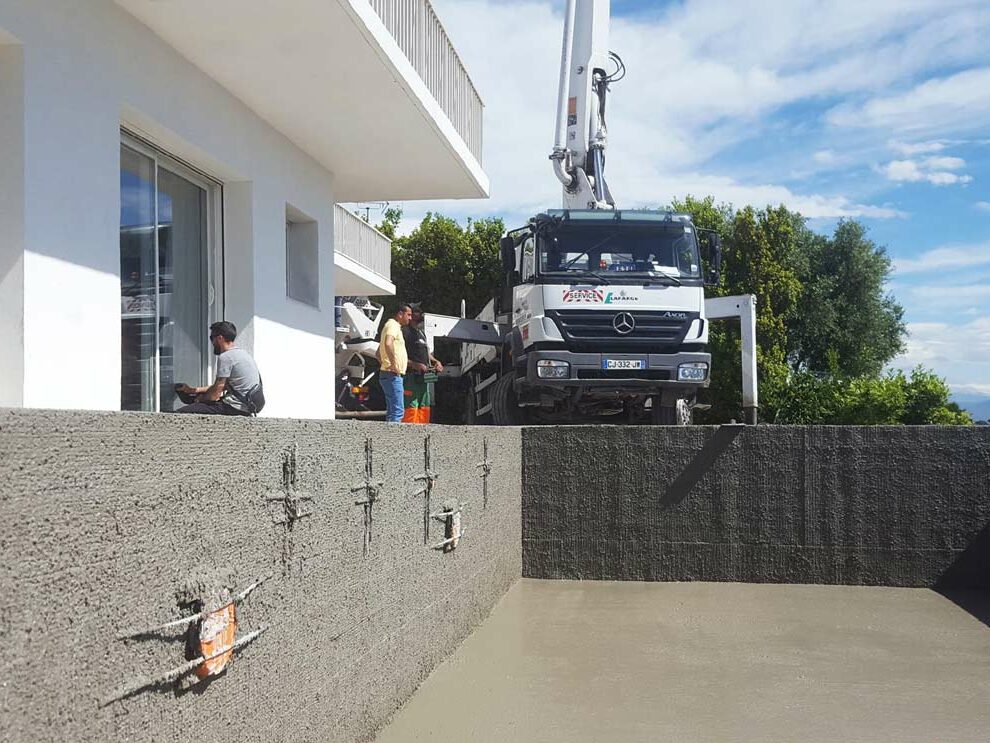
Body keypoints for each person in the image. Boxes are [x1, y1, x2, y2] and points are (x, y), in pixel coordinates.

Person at [176, 321, 263, 416]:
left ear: (220, 338)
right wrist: (193, 390)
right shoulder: (243, 354)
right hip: (245, 406)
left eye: (211, 338)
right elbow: (221, 386)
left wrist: (198, 400)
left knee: (179, 413)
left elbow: (215, 394)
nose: (212, 342)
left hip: (234, 407)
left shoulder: (226, 357)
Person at [402, 305, 444, 423]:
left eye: (420, 313)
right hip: (410, 376)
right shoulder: (404, 332)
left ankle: (422, 430)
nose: (420, 315)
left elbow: (426, 352)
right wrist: (414, 364)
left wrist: (435, 361)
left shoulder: (421, 333)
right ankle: (408, 430)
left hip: (423, 377)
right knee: (411, 405)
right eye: (416, 312)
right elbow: (398, 355)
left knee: (424, 405)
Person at [377, 304, 412, 423]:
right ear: (400, 314)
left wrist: (384, 364)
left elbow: (378, 353)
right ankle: (394, 435)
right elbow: (388, 343)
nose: (410, 318)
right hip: (393, 375)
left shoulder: (389, 325)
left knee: (392, 410)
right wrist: (393, 364)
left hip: (387, 373)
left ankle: (388, 434)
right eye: (408, 315)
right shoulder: (393, 325)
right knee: (398, 411)